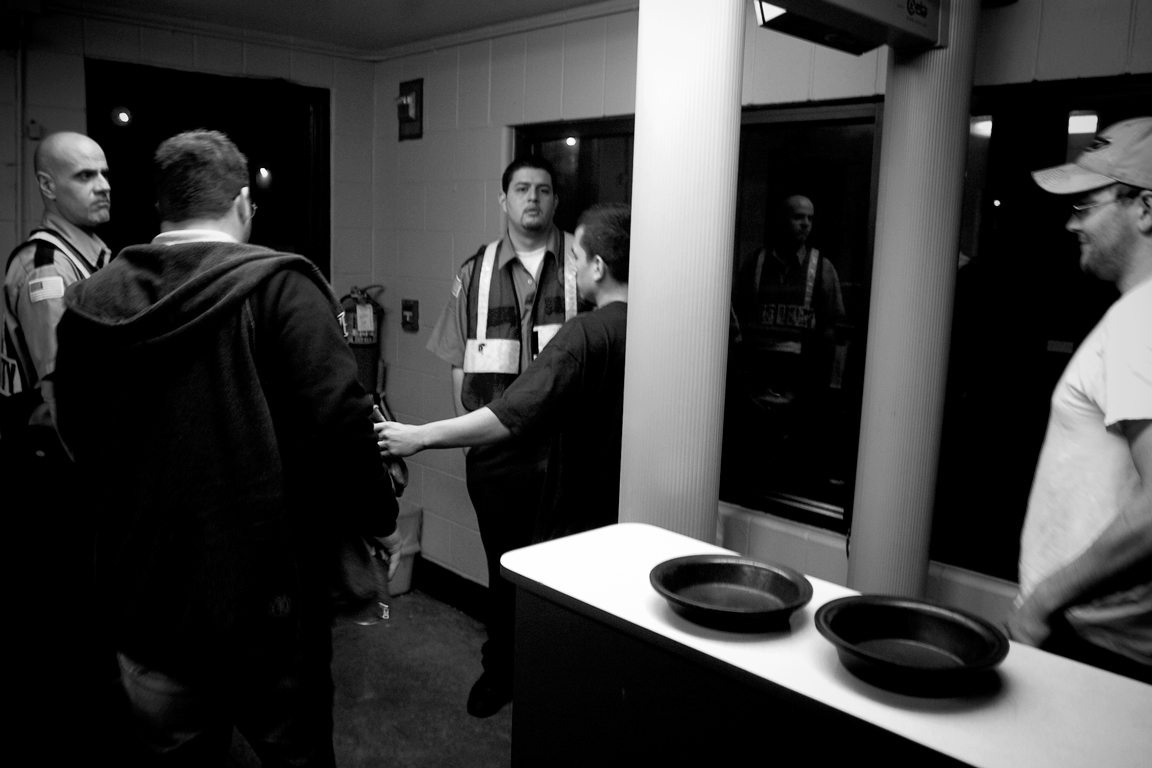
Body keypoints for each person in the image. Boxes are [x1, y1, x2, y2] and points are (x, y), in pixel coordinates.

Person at [53, 129, 403, 765]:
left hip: (146, 600)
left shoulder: (89, 304)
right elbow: (341, 423)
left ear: (163, 207)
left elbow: (75, 432)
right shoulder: (282, 287)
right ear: (242, 202)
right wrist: (380, 516)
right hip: (268, 608)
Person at [425, 156, 583, 716]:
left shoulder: (584, 264)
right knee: (504, 568)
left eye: (543, 189)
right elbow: (457, 360)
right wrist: (471, 439)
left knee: (565, 571)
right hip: (495, 457)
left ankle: (554, 679)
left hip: (566, 455)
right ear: (504, 200)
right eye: (521, 189)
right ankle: (502, 672)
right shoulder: (475, 271)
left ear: (555, 201)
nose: (532, 198)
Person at [380, 202, 629, 543]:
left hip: (579, 523)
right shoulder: (653, 329)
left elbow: (512, 413)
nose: (571, 267)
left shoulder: (584, 335)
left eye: (576, 257)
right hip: (627, 515)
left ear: (598, 267)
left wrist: (419, 437)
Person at [1011, 116, 1152, 683]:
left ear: (1146, 208)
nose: (1071, 223)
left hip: (1094, 641)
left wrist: (1043, 602)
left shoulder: (1141, 320)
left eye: (1086, 206)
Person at [1, 131, 113, 757]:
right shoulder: (47, 266)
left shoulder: (93, 257)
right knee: (70, 619)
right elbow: (63, 392)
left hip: (80, 465)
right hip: (60, 470)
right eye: (83, 176)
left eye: (104, 174)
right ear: (47, 186)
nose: (102, 186)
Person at [728, 194, 847, 493]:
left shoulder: (823, 269)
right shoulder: (754, 264)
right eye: (798, 217)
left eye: (810, 218)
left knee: (792, 473)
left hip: (800, 391)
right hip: (755, 392)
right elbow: (734, 326)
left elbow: (829, 337)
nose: (805, 224)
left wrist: (814, 392)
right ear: (781, 219)